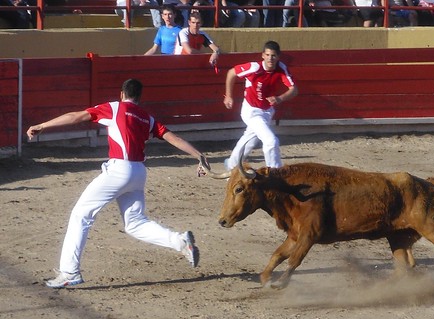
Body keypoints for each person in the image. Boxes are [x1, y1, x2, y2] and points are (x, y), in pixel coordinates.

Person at [26, 78, 207, 288]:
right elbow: (173, 138)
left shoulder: (114, 108)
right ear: (139, 97)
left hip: (118, 170)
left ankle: (69, 272)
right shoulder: (147, 118)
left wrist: (43, 125)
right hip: (139, 172)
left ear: (122, 94)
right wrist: (199, 155)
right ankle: (180, 241)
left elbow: (77, 116)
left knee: (81, 215)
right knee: (135, 223)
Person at [223, 41, 298, 170]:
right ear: (263, 55)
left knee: (249, 140)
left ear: (278, 56)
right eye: (268, 55)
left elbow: (294, 89)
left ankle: (231, 165)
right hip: (251, 111)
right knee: (271, 141)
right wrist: (228, 95)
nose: (270, 58)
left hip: (267, 111)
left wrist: (280, 98)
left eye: (273, 55)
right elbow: (231, 73)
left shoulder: (281, 68)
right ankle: (275, 172)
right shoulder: (254, 67)